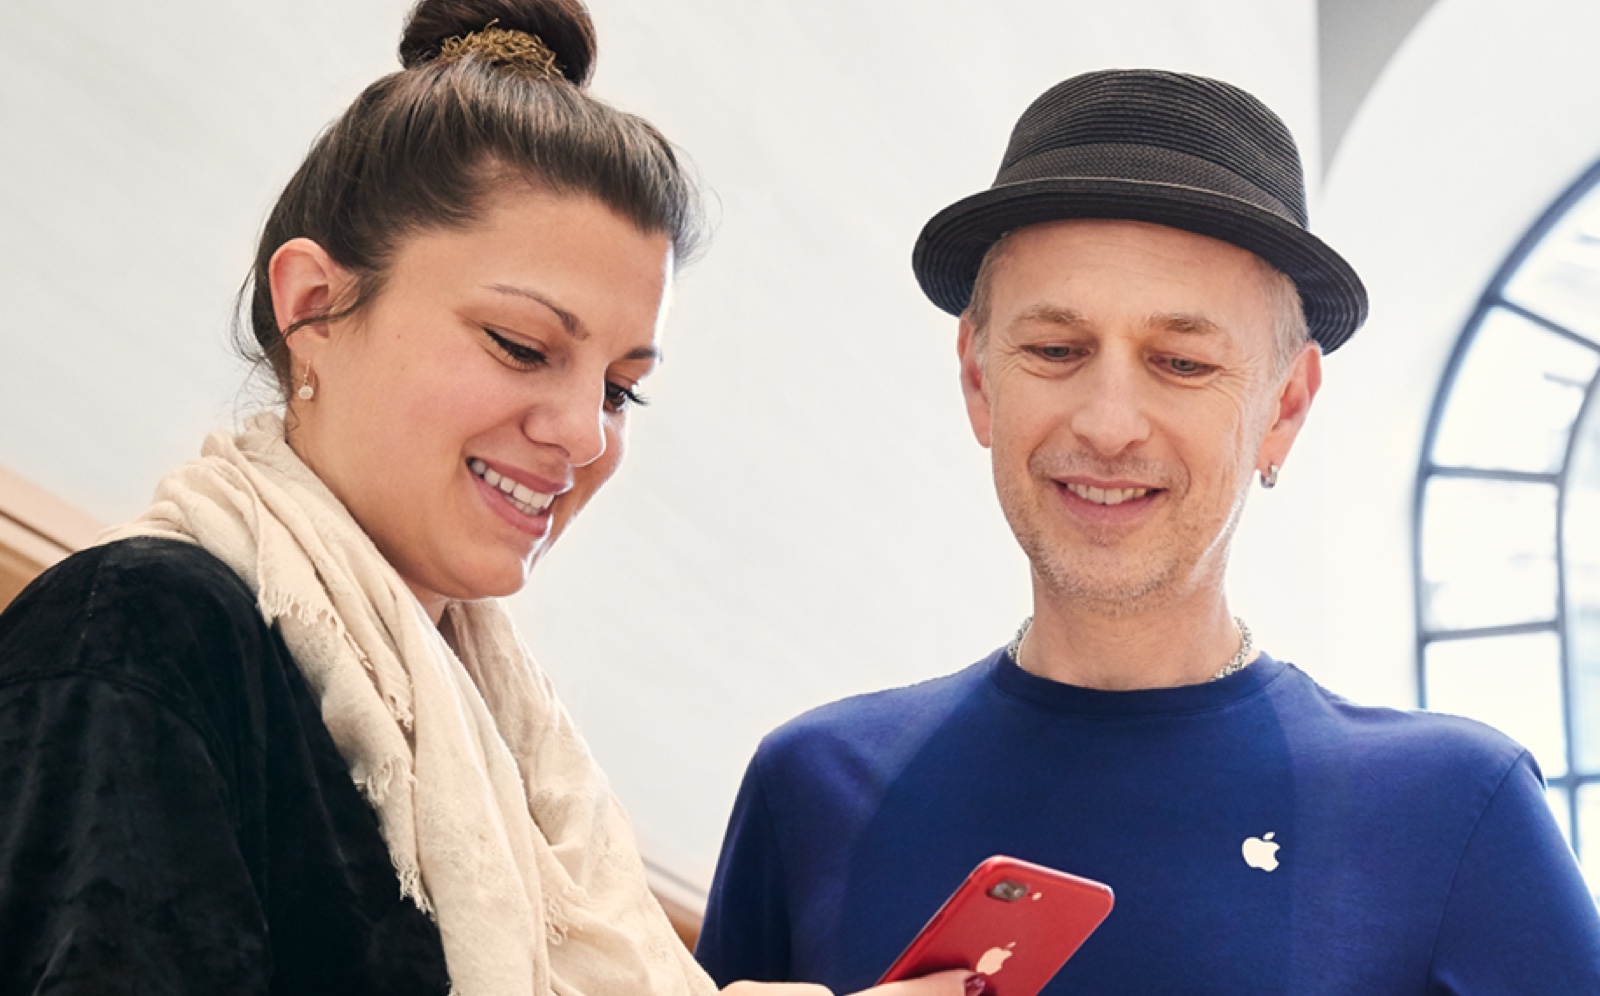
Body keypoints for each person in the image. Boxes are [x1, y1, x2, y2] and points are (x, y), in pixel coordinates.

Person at [0, 2, 974, 994]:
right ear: (312, 307)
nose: (586, 433)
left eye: (618, 387)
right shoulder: (140, 628)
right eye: (521, 347)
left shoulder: (521, 766)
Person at [695, 70, 1600, 993]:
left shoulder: (1454, 814)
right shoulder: (812, 787)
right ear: (977, 378)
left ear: (1284, 407)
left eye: (1181, 362)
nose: (1108, 422)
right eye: (1055, 350)